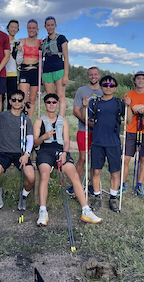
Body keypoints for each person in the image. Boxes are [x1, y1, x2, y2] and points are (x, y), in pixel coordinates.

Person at [33, 93, 102, 225]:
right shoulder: (39, 121)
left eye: (54, 102)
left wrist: (65, 153)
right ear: (45, 104)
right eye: (49, 102)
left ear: (58, 104)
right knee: (44, 174)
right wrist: (44, 136)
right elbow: (35, 142)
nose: (51, 104)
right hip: (45, 151)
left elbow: (66, 140)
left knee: (74, 175)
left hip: (60, 151)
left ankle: (86, 210)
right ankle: (43, 211)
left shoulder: (63, 121)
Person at [83, 76, 132, 213]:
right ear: (101, 87)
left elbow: (128, 120)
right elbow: (86, 118)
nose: (108, 87)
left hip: (114, 143)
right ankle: (97, 197)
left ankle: (113, 198)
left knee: (115, 173)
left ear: (115, 88)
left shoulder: (119, 103)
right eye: (105, 85)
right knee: (96, 171)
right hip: (98, 142)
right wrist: (84, 106)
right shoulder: (94, 102)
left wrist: (128, 106)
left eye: (111, 85)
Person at [0, 90, 35, 211]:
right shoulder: (3, 115)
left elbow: (30, 139)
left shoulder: (26, 120)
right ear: (10, 101)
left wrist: (26, 154)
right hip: (3, 152)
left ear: (23, 102)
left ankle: (23, 195)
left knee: (31, 178)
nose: (17, 102)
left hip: (20, 154)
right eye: (14, 99)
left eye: (19, 100)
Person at [121, 71, 144, 197]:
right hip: (131, 130)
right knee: (125, 159)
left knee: (143, 158)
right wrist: (131, 108)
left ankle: (139, 185)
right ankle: (122, 184)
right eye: (138, 78)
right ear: (134, 81)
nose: (141, 81)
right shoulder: (128, 95)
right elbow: (128, 118)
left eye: (143, 79)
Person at [68, 66, 103, 196]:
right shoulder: (81, 90)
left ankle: (93, 186)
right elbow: (75, 111)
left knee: (95, 159)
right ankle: (75, 185)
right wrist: (88, 123)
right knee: (83, 158)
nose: (93, 76)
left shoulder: (103, 91)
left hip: (98, 132)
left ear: (99, 76)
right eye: (90, 75)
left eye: (95, 74)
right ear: (88, 76)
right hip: (84, 130)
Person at [42, 16, 69, 117]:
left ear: (55, 26)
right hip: (47, 71)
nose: (50, 27)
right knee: (50, 98)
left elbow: (66, 57)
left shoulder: (61, 39)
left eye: (52, 25)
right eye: (48, 25)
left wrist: (66, 74)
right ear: (45, 26)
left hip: (59, 70)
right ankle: (51, 119)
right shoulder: (44, 42)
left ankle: (60, 120)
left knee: (60, 97)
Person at [18, 19, 42, 119]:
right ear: (27, 29)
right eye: (29, 28)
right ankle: (22, 119)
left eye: (33, 28)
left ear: (36, 29)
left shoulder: (40, 42)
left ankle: (29, 122)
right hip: (24, 70)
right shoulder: (21, 41)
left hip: (35, 71)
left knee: (32, 99)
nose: (31, 30)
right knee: (23, 98)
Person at [5, 19, 23, 110]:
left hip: (12, 73)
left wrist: (20, 52)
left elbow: (19, 62)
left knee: (11, 99)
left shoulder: (18, 43)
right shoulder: (2, 41)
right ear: (7, 28)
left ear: (18, 30)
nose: (13, 29)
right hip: (1, 73)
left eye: (16, 28)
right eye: (11, 27)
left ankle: (9, 120)